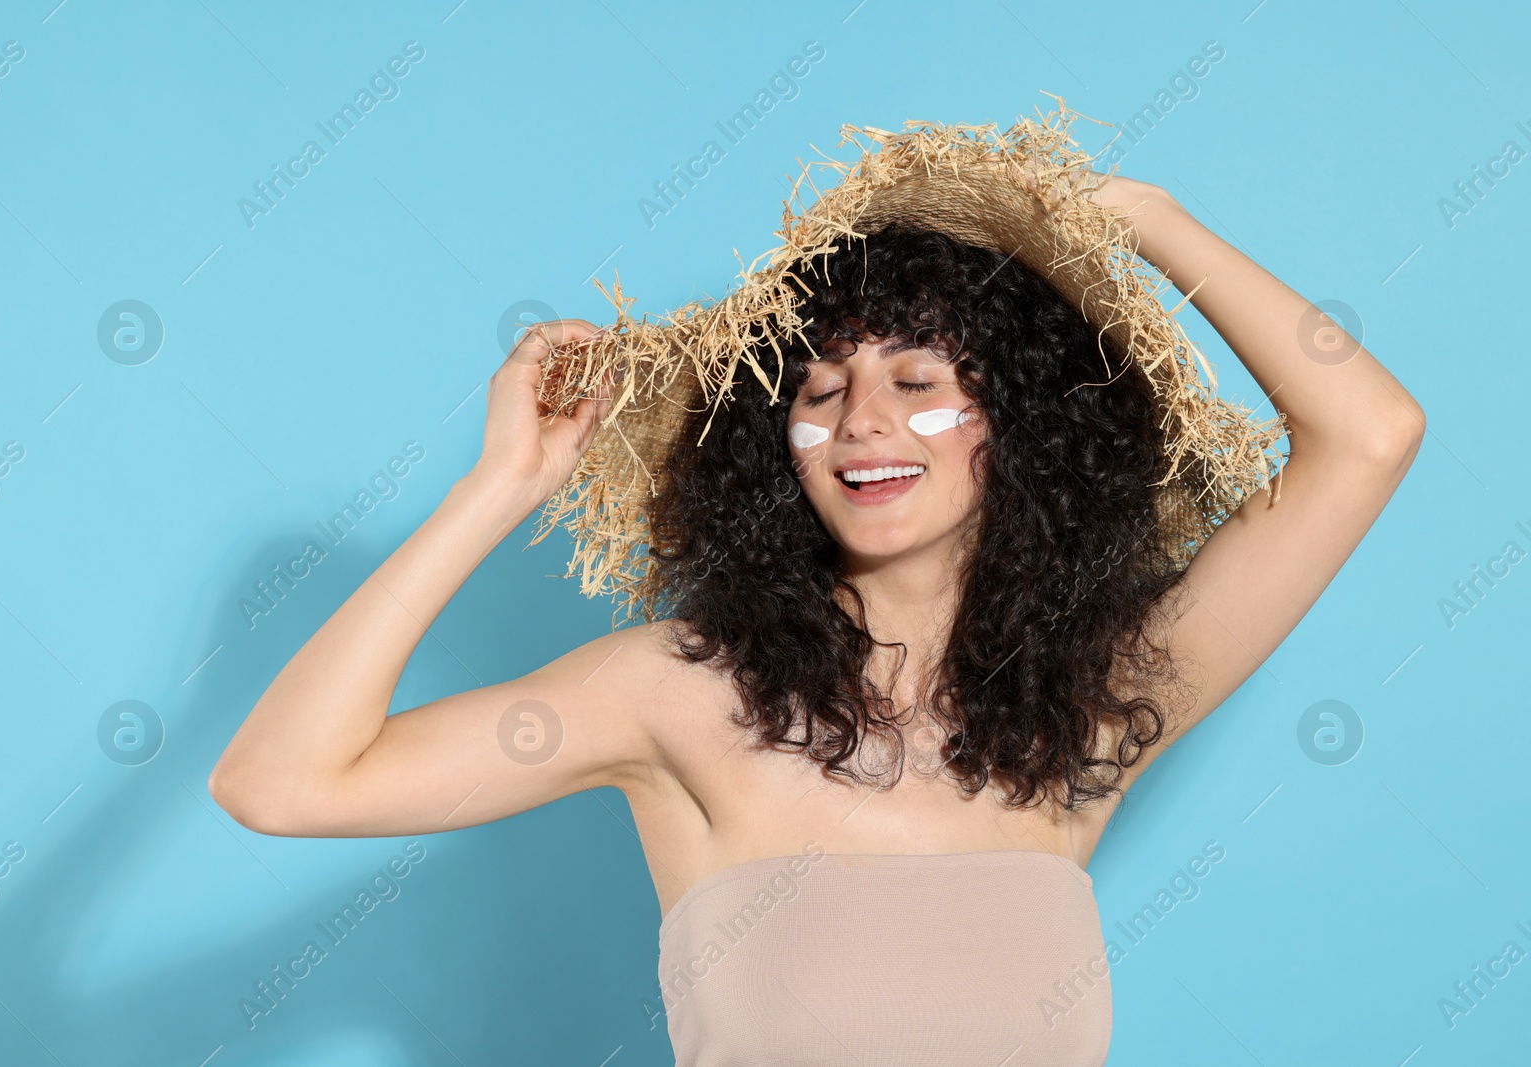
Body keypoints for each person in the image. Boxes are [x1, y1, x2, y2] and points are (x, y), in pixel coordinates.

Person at [209, 139, 1424, 1065]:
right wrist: (500, 486)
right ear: (772, 444)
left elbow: (1368, 434)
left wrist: (1139, 221)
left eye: (916, 379)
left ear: (1020, 427)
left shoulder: (1087, 714)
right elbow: (280, 781)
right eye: (820, 389)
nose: (863, 423)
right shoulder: (678, 691)